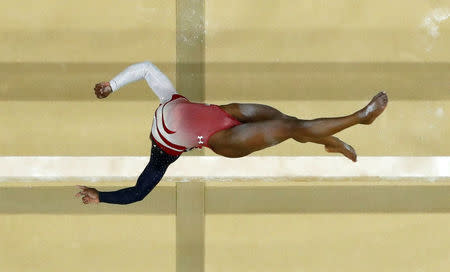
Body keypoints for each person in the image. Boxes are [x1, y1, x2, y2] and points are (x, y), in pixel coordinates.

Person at [76, 61, 388, 205]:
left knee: (289, 121)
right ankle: (361, 118)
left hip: (226, 112)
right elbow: (139, 192)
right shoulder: (163, 156)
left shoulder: (169, 99)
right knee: (290, 127)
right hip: (223, 140)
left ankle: (330, 143)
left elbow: (145, 69)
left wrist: (111, 85)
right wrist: (100, 196)